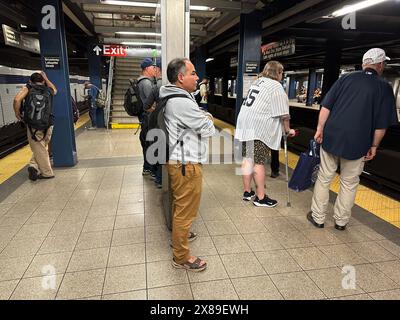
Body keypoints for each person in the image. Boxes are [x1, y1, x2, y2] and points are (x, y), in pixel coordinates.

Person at [308, 48, 398, 230]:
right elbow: (381, 125)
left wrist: (319, 129)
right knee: (349, 183)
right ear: (380, 65)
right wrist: (374, 145)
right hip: (358, 142)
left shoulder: (346, 78)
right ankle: (340, 222)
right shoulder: (384, 88)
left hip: (332, 137)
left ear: (365, 62)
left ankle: (318, 217)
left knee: (324, 178)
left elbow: (326, 107)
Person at [159, 58, 215, 272]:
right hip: (186, 164)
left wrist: (202, 116)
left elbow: (198, 120)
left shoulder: (173, 95)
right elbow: (208, 128)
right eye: (193, 73)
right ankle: (181, 257)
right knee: (186, 210)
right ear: (181, 77)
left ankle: (179, 235)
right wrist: (206, 115)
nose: (197, 77)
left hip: (178, 160)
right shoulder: (181, 101)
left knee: (180, 205)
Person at [235, 61, 296, 207]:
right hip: (258, 129)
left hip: (244, 125)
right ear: (278, 73)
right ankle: (261, 198)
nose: (282, 76)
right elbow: (284, 114)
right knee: (258, 162)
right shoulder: (276, 86)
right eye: (282, 73)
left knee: (248, 158)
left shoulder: (258, 82)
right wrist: (288, 130)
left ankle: (247, 191)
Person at [13, 71, 57, 180]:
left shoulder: (28, 88)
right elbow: (55, 90)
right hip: (48, 123)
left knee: (39, 148)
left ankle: (47, 173)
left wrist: (17, 113)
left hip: (33, 125)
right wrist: (46, 78)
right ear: (43, 81)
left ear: (30, 81)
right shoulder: (49, 90)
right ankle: (33, 165)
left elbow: (17, 99)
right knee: (41, 146)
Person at [138, 58, 160, 179]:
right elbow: (150, 104)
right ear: (147, 69)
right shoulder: (146, 83)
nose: (155, 69)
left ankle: (147, 168)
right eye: (153, 67)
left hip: (144, 119)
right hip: (147, 119)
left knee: (147, 143)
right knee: (150, 144)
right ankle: (150, 169)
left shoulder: (141, 81)